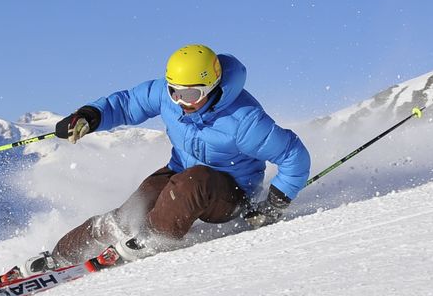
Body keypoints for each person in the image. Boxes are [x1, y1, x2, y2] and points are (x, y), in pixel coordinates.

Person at [22, 44, 311, 275]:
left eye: (191, 94)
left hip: (230, 193)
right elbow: (126, 104)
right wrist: (89, 116)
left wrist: (273, 206)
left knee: (192, 182)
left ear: (212, 87)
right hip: (180, 174)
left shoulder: (244, 120)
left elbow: (294, 156)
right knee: (134, 209)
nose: (182, 101)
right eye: (175, 92)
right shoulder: (167, 95)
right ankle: (60, 256)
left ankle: (150, 239)